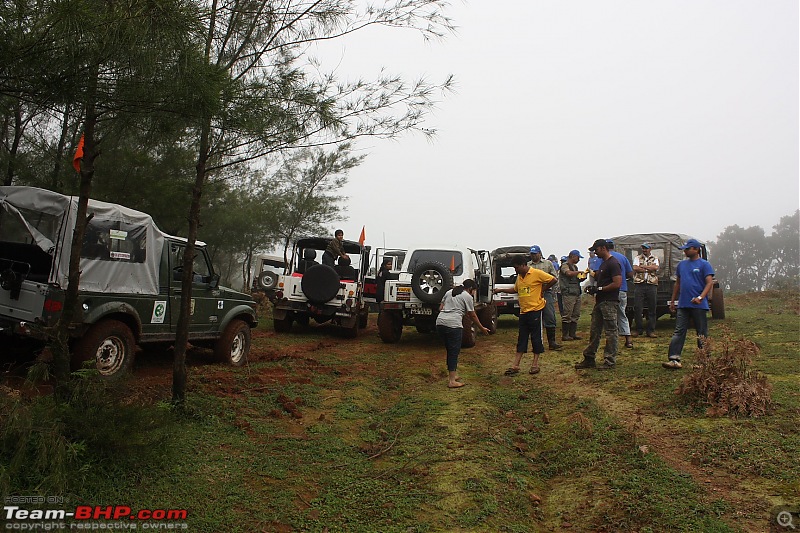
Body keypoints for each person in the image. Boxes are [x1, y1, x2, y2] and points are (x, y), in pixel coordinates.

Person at [493, 254, 557, 375]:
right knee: (522, 338)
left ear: (523, 265)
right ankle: (515, 365)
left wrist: (543, 290)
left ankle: (535, 364)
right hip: (523, 312)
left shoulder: (537, 273)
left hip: (535, 310)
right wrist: (501, 290)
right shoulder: (519, 277)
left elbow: (553, 280)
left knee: (536, 338)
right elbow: (516, 289)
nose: (515, 270)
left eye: (517, 267)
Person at [663, 239, 715, 370]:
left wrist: (701, 297)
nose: (685, 251)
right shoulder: (681, 265)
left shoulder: (704, 265)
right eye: (684, 249)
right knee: (679, 331)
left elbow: (709, 283)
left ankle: (704, 361)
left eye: (687, 249)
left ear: (696, 249)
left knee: (701, 332)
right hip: (683, 304)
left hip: (699, 305)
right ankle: (674, 359)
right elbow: (678, 283)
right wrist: (674, 300)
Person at [575, 239, 622, 371]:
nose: (595, 252)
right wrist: (593, 288)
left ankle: (609, 360)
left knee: (611, 331)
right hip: (600, 301)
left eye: (596, 249)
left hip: (609, 301)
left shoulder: (613, 263)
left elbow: (617, 283)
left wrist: (599, 289)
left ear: (603, 248)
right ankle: (589, 358)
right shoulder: (604, 264)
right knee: (594, 331)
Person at [436, 279, 490, 388]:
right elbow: (472, 315)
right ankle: (452, 381)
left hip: (440, 323)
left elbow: (440, 307)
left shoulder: (449, 292)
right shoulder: (467, 296)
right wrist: (482, 328)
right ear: (471, 289)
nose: (474, 293)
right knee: (453, 352)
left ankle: (452, 374)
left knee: (449, 349)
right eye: (474, 290)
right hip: (454, 325)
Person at [529, 245, 561, 351]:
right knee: (534, 317)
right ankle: (537, 343)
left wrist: (548, 289)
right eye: (532, 254)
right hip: (533, 293)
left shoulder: (548, 264)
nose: (533, 256)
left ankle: (552, 342)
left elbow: (554, 277)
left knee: (550, 316)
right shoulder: (528, 265)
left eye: (535, 254)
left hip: (546, 292)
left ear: (540, 254)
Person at [606, 239, 634, 349]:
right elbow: (630, 273)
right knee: (622, 313)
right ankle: (628, 340)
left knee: (609, 316)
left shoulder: (605, 258)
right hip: (622, 289)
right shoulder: (622, 257)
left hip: (609, 291)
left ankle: (612, 342)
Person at [632, 243, 660, 338]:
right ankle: (639, 330)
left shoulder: (655, 258)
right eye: (643, 248)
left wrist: (643, 267)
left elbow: (655, 267)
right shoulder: (637, 258)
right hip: (639, 284)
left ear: (650, 249)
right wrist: (649, 268)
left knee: (652, 308)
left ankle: (651, 330)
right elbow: (635, 268)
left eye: (646, 248)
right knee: (638, 308)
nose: (644, 250)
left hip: (652, 284)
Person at [559, 249, 584, 342]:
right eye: (578, 257)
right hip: (568, 293)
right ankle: (565, 335)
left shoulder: (575, 267)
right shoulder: (565, 266)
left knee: (575, 314)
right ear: (573, 256)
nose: (579, 260)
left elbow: (575, 278)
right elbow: (568, 273)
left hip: (576, 292)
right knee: (567, 314)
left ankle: (572, 334)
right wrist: (578, 273)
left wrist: (582, 277)